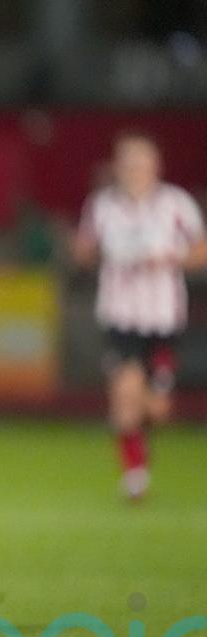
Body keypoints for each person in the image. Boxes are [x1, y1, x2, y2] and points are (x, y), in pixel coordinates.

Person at [73, 132, 207, 501]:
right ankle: (135, 477)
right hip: (120, 315)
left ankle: (141, 433)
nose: (134, 170)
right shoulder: (102, 206)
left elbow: (200, 250)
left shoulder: (175, 204)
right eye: (128, 163)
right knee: (124, 393)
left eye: (141, 162)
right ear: (117, 167)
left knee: (157, 410)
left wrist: (169, 257)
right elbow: (83, 249)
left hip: (162, 318)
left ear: (155, 166)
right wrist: (93, 252)